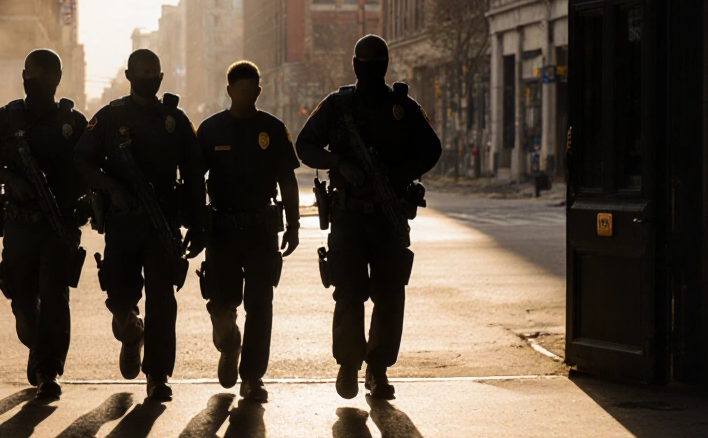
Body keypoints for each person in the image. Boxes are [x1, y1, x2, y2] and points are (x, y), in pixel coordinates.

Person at [295, 34, 442, 400]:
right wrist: (339, 162)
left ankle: (376, 370)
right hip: (349, 216)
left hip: (389, 217)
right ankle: (348, 365)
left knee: (390, 294)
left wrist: (399, 173)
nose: (372, 70)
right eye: (368, 63)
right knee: (348, 292)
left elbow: (432, 149)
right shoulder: (337, 106)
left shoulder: (402, 106)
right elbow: (305, 146)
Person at [74, 49, 207, 401]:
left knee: (162, 300)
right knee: (120, 298)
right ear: (129, 76)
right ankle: (131, 335)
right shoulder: (108, 117)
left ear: (161, 78)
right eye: (142, 72)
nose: (149, 78)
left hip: (163, 223)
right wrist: (112, 188)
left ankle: (158, 375)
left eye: (154, 73)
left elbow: (194, 174)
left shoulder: (174, 120)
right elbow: (81, 161)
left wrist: (197, 222)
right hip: (122, 223)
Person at [0, 48, 89, 399]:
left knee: (54, 296)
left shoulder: (73, 123)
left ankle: (49, 369)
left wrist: (81, 201)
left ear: (55, 78)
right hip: (20, 225)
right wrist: (10, 178)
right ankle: (40, 352)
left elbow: (91, 166)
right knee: (22, 300)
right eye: (25, 73)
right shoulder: (8, 118)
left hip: (58, 225)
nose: (28, 80)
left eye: (35, 74)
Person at [195, 61, 301, 403]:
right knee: (222, 303)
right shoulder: (211, 131)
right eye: (239, 90)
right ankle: (229, 345)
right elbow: (195, 181)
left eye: (251, 89)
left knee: (260, 305)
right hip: (222, 232)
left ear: (258, 90)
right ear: (229, 91)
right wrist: (195, 223)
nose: (245, 95)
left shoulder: (273, 129)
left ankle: (252, 377)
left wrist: (295, 224)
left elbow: (287, 179)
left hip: (261, 231)